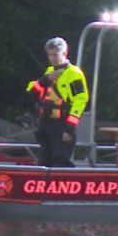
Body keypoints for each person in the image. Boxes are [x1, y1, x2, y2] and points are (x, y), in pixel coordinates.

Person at [26, 36, 89, 167]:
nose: (53, 58)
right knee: (44, 162)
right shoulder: (49, 71)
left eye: (55, 54)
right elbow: (33, 94)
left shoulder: (74, 73)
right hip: (46, 124)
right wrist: (43, 81)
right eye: (50, 55)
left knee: (60, 162)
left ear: (64, 53)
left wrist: (69, 129)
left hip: (62, 125)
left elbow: (80, 101)